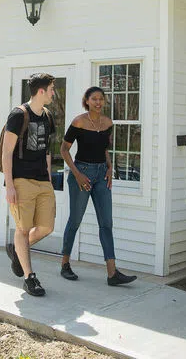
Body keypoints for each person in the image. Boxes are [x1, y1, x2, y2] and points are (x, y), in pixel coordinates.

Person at [59, 86, 137, 286]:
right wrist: (77, 175)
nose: (98, 102)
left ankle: (112, 274)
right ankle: (65, 264)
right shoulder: (79, 121)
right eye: (94, 99)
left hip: (102, 174)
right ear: (86, 101)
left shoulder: (107, 123)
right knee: (75, 220)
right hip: (82, 173)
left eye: (101, 99)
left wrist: (110, 168)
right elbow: (64, 150)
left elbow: (104, 149)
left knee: (106, 223)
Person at [2, 73, 57, 297]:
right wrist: (10, 185)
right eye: (52, 89)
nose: (54, 93)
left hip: (43, 180)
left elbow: (46, 151)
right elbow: (7, 152)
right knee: (23, 229)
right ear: (41, 91)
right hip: (21, 179)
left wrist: (50, 179)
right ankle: (29, 277)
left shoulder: (48, 116)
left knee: (47, 227)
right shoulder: (18, 115)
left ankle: (17, 251)